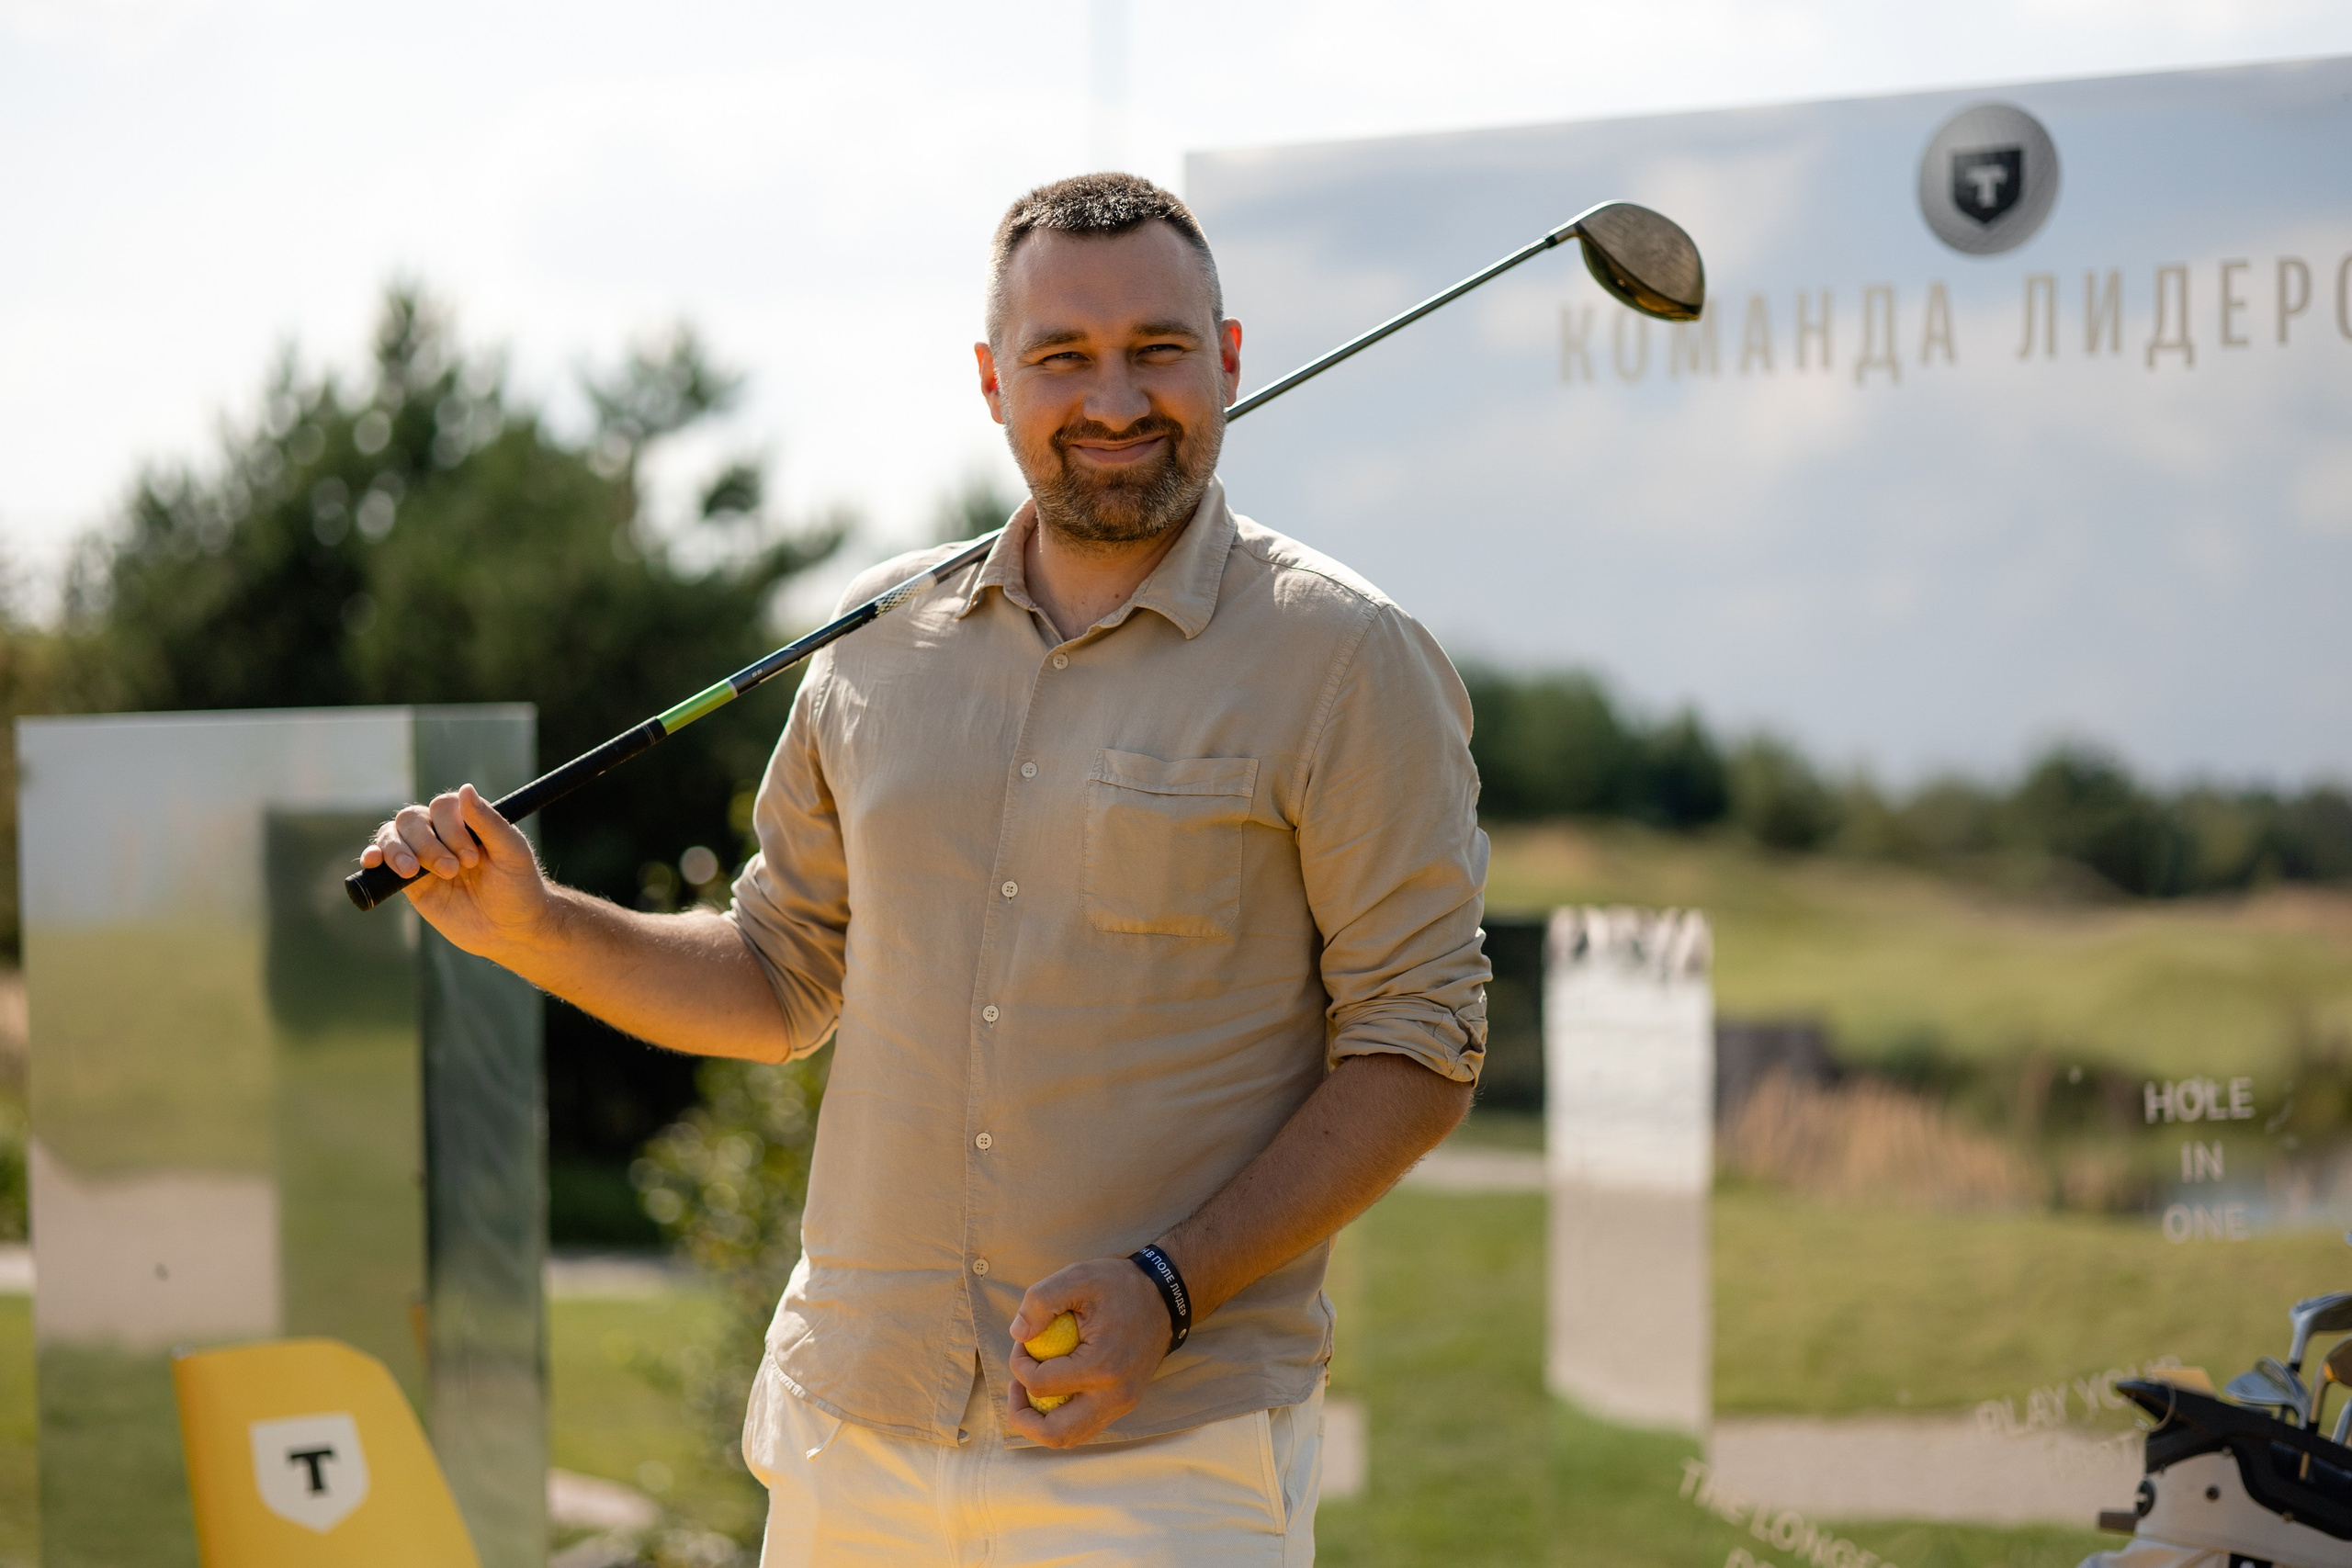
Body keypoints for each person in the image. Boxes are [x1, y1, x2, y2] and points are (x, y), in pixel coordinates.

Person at [364, 172, 1490, 1566]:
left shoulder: (1348, 659)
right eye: (1062, 357)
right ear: (991, 382)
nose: (1117, 399)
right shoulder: (873, 637)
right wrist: (533, 927)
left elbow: (1420, 1042)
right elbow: (782, 978)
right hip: (856, 1435)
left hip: (1160, 1458)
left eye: (1160, 349)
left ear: (1231, 359)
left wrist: (1171, 1285)